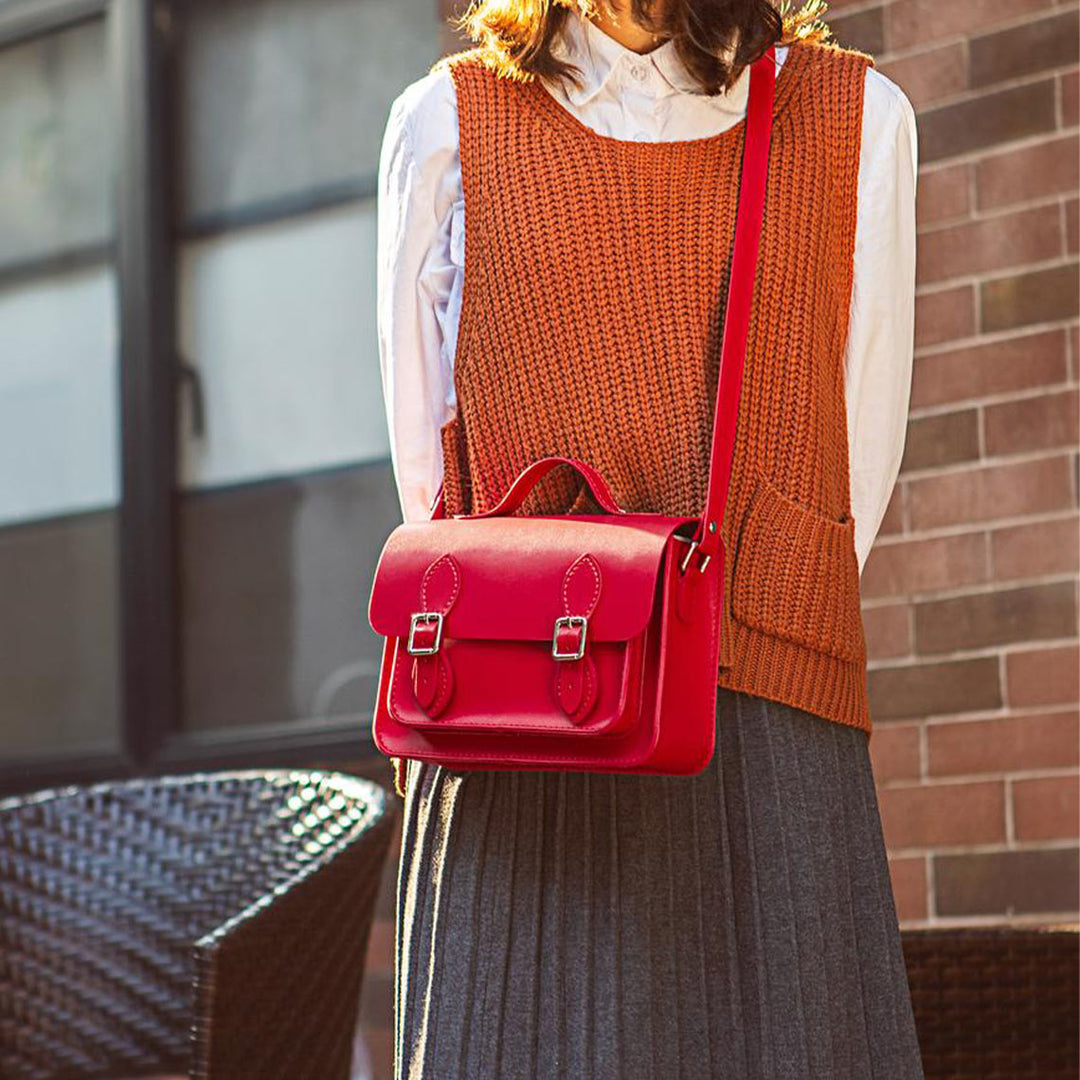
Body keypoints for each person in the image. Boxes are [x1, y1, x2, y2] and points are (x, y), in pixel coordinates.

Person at [375, 0, 922, 1076]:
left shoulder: (861, 120)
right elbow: (430, 484)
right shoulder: (443, 124)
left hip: (767, 733)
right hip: (520, 732)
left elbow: (851, 466)